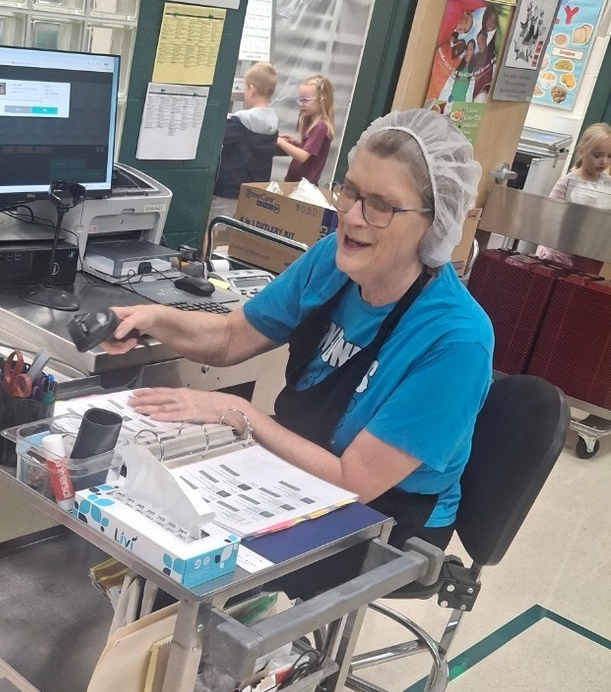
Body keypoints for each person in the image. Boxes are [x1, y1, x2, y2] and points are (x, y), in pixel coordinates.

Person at [107, 109, 493, 592]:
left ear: (433, 224)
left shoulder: (454, 341)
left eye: (380, 205)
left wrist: (236, 411)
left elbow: (354, 481)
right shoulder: (332, 262)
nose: (351, 216)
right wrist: (153, 320)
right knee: (155, 518)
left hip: (388, 519)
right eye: (350, 191)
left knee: (201, 575)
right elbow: (231, 337)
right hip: (295, 468)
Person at [207, 62, 279, 250]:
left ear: (252, 90)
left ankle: (203, 265)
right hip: (252, 190)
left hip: (227, 190)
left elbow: (216, 137)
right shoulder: (273, 123)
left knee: (210, 229)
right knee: (236, 233)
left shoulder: (242, 122)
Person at [535, 122, 611, 274]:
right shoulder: (567, 182)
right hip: (557, 255)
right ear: (582, 152)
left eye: (609, 156)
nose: (604, 161)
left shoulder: (608, 184)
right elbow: (549, 216)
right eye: (597, 155)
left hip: (588, 257)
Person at [276, 73, 335, 186]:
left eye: (306, 100)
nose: (301, 104)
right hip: (295, 183)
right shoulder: (313, 122)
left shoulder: (321, 127)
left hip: (304, 186)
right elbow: (311, 154)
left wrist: (279, 141)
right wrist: (297, 144)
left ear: (322, 100)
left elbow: (303, 156)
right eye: (300, 99)